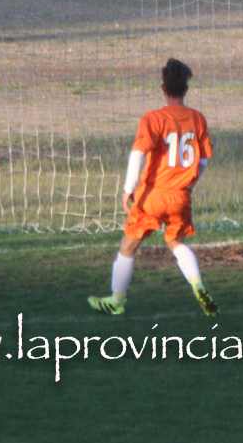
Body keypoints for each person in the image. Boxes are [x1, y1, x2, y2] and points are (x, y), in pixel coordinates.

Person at [89, 59, 219, 317]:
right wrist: (190, 183)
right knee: (176, 241)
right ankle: (197, 284)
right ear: (186, 88)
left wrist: (129, 188)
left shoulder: (153, 118)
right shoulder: (198, 119)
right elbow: (203, 160)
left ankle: (116, 301)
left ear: (163, 88)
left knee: (128, 246)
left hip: (152, 195)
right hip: (181, 195)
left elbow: (138, 153)